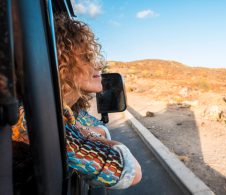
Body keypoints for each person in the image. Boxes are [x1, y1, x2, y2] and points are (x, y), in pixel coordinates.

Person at [12, 13, 142, 190]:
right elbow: (130, 172)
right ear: (61, 64)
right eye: (87, 58)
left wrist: (87, 131)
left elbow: (98, 126)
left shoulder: (67, 110)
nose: (98, 65)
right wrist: (99, 138)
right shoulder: (35, 120)